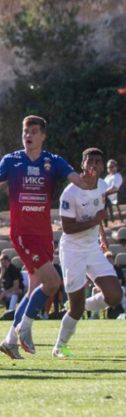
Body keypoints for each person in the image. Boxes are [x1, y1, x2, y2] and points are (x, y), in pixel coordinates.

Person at [0, 115, 87, 359]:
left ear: (43, 136)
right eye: (25, 131)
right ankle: (24, 328)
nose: (28, 135)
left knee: (34, 291)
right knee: (52, 282)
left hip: (44, 235)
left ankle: (9, 341)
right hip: (23, 234)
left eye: (33, 131)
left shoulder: (53, 161)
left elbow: (78, 181)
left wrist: (91, 181)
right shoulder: (12, 161)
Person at [53, 148, 123, 357]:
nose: (93, 164)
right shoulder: (70, 193)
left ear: (102, 167)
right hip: (73, 250)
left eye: (97, 161)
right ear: (82, 164)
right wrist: (95, 221)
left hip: (92, 248)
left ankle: (86, 305)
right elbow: (67, 228)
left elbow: (97, 215)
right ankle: (59, 347)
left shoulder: (102, 185)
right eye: (89, 161)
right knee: (75, 308)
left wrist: (102, 238)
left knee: (115, 296)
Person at [103, 159, 122, 224]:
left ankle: (104, 222)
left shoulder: (117, 176)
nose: (109, 168)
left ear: (116, 167)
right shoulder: (108, 176)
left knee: (98, 199)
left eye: (111, 166)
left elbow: (114, 188)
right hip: (104, 196)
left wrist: (103, 193)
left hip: (111, 197)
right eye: (108, 167)